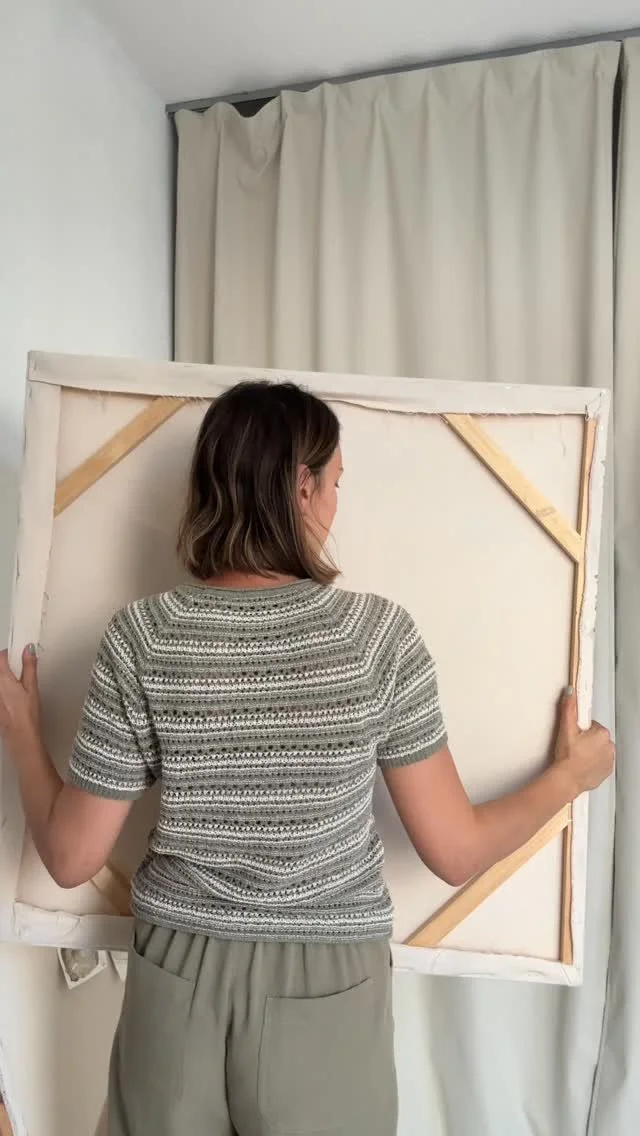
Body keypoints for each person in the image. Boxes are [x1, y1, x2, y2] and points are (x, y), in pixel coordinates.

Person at [0, 381, 614, 1136]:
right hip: (329, 982)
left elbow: (70, 857)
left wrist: (22, 733)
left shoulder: (143, 637)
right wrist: (570, 777)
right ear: (302, 486)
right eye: (336, 482)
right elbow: (454, 850)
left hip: (177, 974)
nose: (335, 504)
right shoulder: (375, 639)